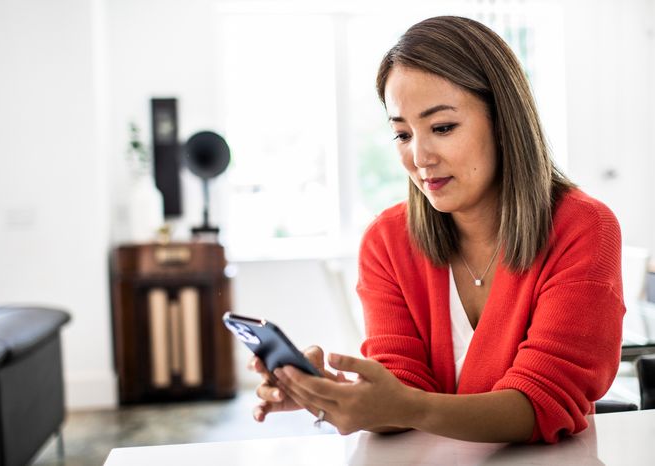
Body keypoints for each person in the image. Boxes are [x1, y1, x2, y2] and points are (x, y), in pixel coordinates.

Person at [249, 15, 624, 444]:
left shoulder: (583, 227)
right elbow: (401, 388)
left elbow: (544, 402)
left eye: (442, 128)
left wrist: (404, 405)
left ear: (504, 122)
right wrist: (330, 393)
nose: (420, 157)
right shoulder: (387, 241)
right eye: (402, 134)